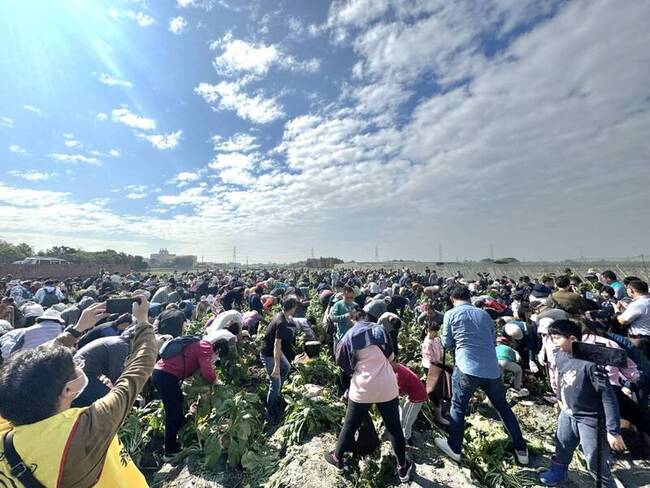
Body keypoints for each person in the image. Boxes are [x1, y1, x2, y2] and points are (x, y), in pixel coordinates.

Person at [0, 296, 156, 486]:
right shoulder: (86, 429)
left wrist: (77, 329)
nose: (79, 364)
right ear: (67, 389)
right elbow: (137, 371)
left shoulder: (7, 417)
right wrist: (143, 322)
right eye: (75, 364)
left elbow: (31, 368)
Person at [434, 285, 529, 465]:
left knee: (458, 407)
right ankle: (521, 449)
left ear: (453, 299)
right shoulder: (484, 314)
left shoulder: (451, 314)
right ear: (469, 297)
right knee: (503, 408)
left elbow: (447, 342)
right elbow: (492, 339)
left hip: (467, 368)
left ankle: (454, 448)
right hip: (491, 370)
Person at [326, 310, 415, 483]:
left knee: (350, 426)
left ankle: (337, 458)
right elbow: (391, 357)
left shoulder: (348, 336)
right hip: (387, 385)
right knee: (394, 428)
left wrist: (356, 370)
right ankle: (403, 468)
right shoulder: (380, 331)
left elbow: (342, 363)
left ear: (353, 319)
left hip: (363, 387)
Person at [538, 320, 626, 487]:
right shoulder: (561, 355)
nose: (552, 342)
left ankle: (606, 485)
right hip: (568, 412)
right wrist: (560, 399)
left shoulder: (591, 364)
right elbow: (561, 378)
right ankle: (557, 474)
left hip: (590, 419)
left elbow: (608, 397)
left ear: (572, 338)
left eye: (556, 338)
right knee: (562, 445)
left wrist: (613, 431)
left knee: (593, 457)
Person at [152, 326, 233, 459]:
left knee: (176, 409)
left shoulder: (199, 346)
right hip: (165, 376)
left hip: (162, 374)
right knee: (173, 412)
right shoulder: (205, 348)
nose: (215, 360)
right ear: (217, 350)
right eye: (217, 357)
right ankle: (170, 451)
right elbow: (207, 372)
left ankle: (173, 445)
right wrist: (216, 382)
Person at [72, 328, 134, 407]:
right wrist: (129, 392)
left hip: (80, 373)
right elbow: (116, 375)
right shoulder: (122, 346)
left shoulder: (117, 341)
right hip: (82, 375)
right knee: (113, 400)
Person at [259, 296, 297, 424]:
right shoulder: (282, 323)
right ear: (292, 308)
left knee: (286, 367)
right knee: (274, 382)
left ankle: (277, 393)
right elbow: (276, 345)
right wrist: (276, 366)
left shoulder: (280, 315)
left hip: (273, 350)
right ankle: (270, 410)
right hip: (268, 354)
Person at [393, 362, 427, 445]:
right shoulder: (399, 367)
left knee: (407, 419)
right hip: (411, 394)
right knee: (404, 413)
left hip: (416, 397)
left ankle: (407, 438)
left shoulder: (400, 374)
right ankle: (403, 433)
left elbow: (397, 391)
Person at [615, 279, 650, 355]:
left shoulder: (637, 304)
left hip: (642, 340)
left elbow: (623, 321)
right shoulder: (646, 301)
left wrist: (617, 310)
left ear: (632, 290)